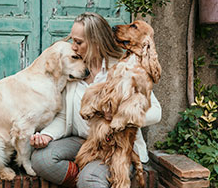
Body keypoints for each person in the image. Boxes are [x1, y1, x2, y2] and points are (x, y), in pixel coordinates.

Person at [30, 12, 162, 188]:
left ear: (95, 42)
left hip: (116, 145)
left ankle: (90, 176)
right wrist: (46, 135)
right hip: (84, 141)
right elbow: (63, 117)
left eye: (79, 42)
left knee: (90, 180)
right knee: (42, 159)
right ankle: (82, 178)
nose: (73, 47)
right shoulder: (73, 69)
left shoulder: (123, 67)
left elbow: (156, 112)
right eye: (72, 40)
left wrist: (118, 116)